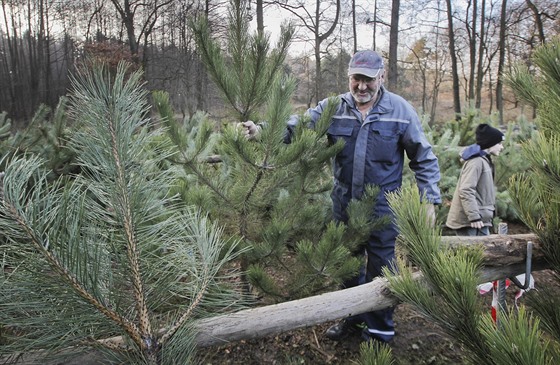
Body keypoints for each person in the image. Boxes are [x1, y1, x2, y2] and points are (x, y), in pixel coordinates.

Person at [241, 50, 441, 344]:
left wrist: (428, 201)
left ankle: (380, 329)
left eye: (369, 80)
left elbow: (423, 158)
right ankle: (353, 320)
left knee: (382, 270)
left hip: (383, 210)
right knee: (347, 267)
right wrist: (263, 130)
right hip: (344, 206)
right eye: (356, 79)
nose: (362, 86)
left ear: (381, 77)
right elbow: (297, 126)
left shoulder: (400, 111)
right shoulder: (334, 107)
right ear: (349, 77)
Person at [446, 123, 505, 236]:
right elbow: (466, 190)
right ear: (490, 143)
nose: (501, 147)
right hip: (470, 222)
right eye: (499, 143)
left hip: (481, 219)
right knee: (472, 253)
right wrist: (474, 217)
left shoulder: (484, 160)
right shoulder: (476, 162)